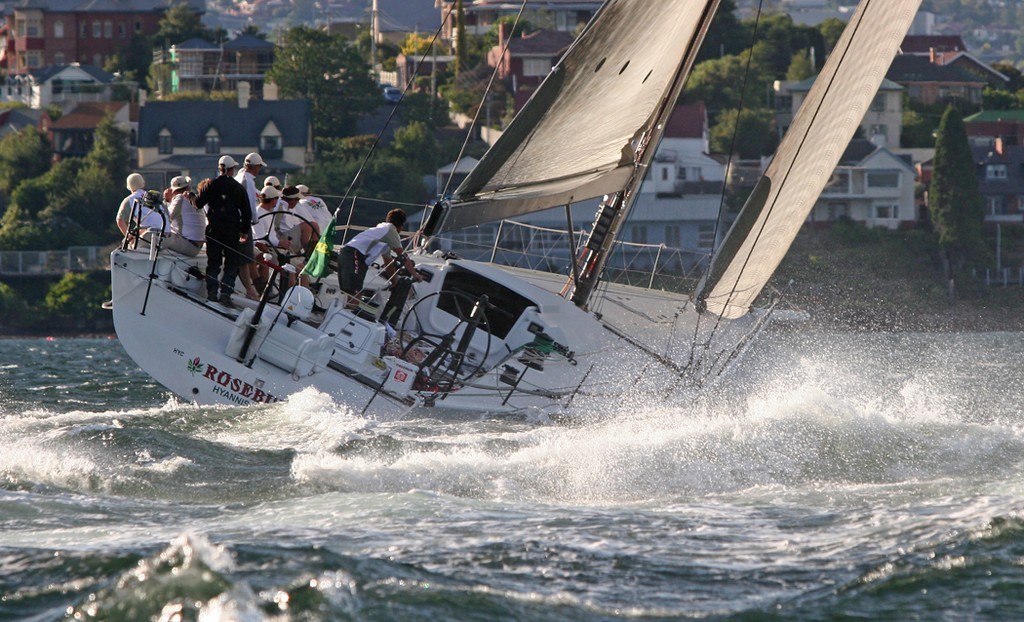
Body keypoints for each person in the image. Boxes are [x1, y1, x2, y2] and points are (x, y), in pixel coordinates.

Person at [195, 155, 251, 307]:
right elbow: (246, 212)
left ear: (220, 168)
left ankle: (212, 292)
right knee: (231, 263)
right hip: (232, 231)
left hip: (214, 230)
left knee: (213, 262)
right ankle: (226, 292)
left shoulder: (211, 185)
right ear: (232, 169)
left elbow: (198, 204)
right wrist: (244, 231)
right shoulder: (238, 188)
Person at [338, 208, 422, 309]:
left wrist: (394, 283)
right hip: (354, 254)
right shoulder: (391, 230)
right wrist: (415, 274)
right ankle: (347, 317)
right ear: (401, 225)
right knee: (355, 292)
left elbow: (388, 262)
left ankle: (347, 312)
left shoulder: (382, 233)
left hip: (350, 254)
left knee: (354, 291)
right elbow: (402, 255)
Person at [162, 176, 206, 257]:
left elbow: (165, 218)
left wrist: (166, 200)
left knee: (155, 234)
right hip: (197, 246)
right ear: (188, 188)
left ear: (173, 191)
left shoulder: (179, 198)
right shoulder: (195, 198)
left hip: (188, 245)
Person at [115, 173, 155, 246]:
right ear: (143, 184)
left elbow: (120, 221)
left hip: (149, 237)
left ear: (129, 187)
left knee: (128, 246)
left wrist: (130, 238)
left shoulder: (129, 200)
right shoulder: (153, 196)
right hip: (166, 237)